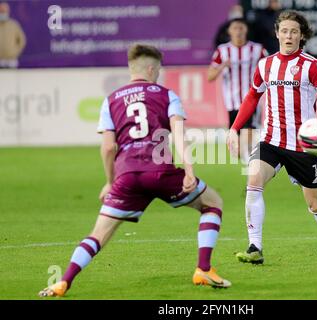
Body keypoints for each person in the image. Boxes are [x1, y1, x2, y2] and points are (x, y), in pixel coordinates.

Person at [39, 44, 231, 297]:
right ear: (151, 68)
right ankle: (203, 269)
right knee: (212, 203)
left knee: (99, 234)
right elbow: (179, 135)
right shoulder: (166, 95)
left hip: (127, 176)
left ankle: (63, 282)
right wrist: (188, 170)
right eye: (158, 69)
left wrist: (109, 182)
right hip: (161, 172)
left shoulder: (111, 100)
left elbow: (108, 148)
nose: (159, 73)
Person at [227, 10, 317, 264]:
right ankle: (255, 247)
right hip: (271, 140)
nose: (289, 36)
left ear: (302, 36)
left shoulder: (311, 65)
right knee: (253, 180)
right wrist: (235, 128)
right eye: (285, 31)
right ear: (277, 33)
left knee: (316, 206)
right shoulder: (265, 65)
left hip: (303, 146)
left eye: (294, 32)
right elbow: (252, 97)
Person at [208, 18, 268, 163]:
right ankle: (247, 158)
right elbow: (210, 76)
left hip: (252, 98)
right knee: (237, 150)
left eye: (241, 28)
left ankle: (250, 164)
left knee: (248, 131)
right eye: (235, 28)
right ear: (229, 31)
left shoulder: (258, 49)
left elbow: (271, 68)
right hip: (231, 102)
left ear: (246, 30)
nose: (238, 31)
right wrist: (222, 66)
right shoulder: (222, 51)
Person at [0, 2, 26, 68]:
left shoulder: (13, 25)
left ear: (8, 11)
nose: (3, 13)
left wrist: (15, 52)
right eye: (1, 11)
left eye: (4, 11)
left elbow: (22, 41)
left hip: (11, 60)